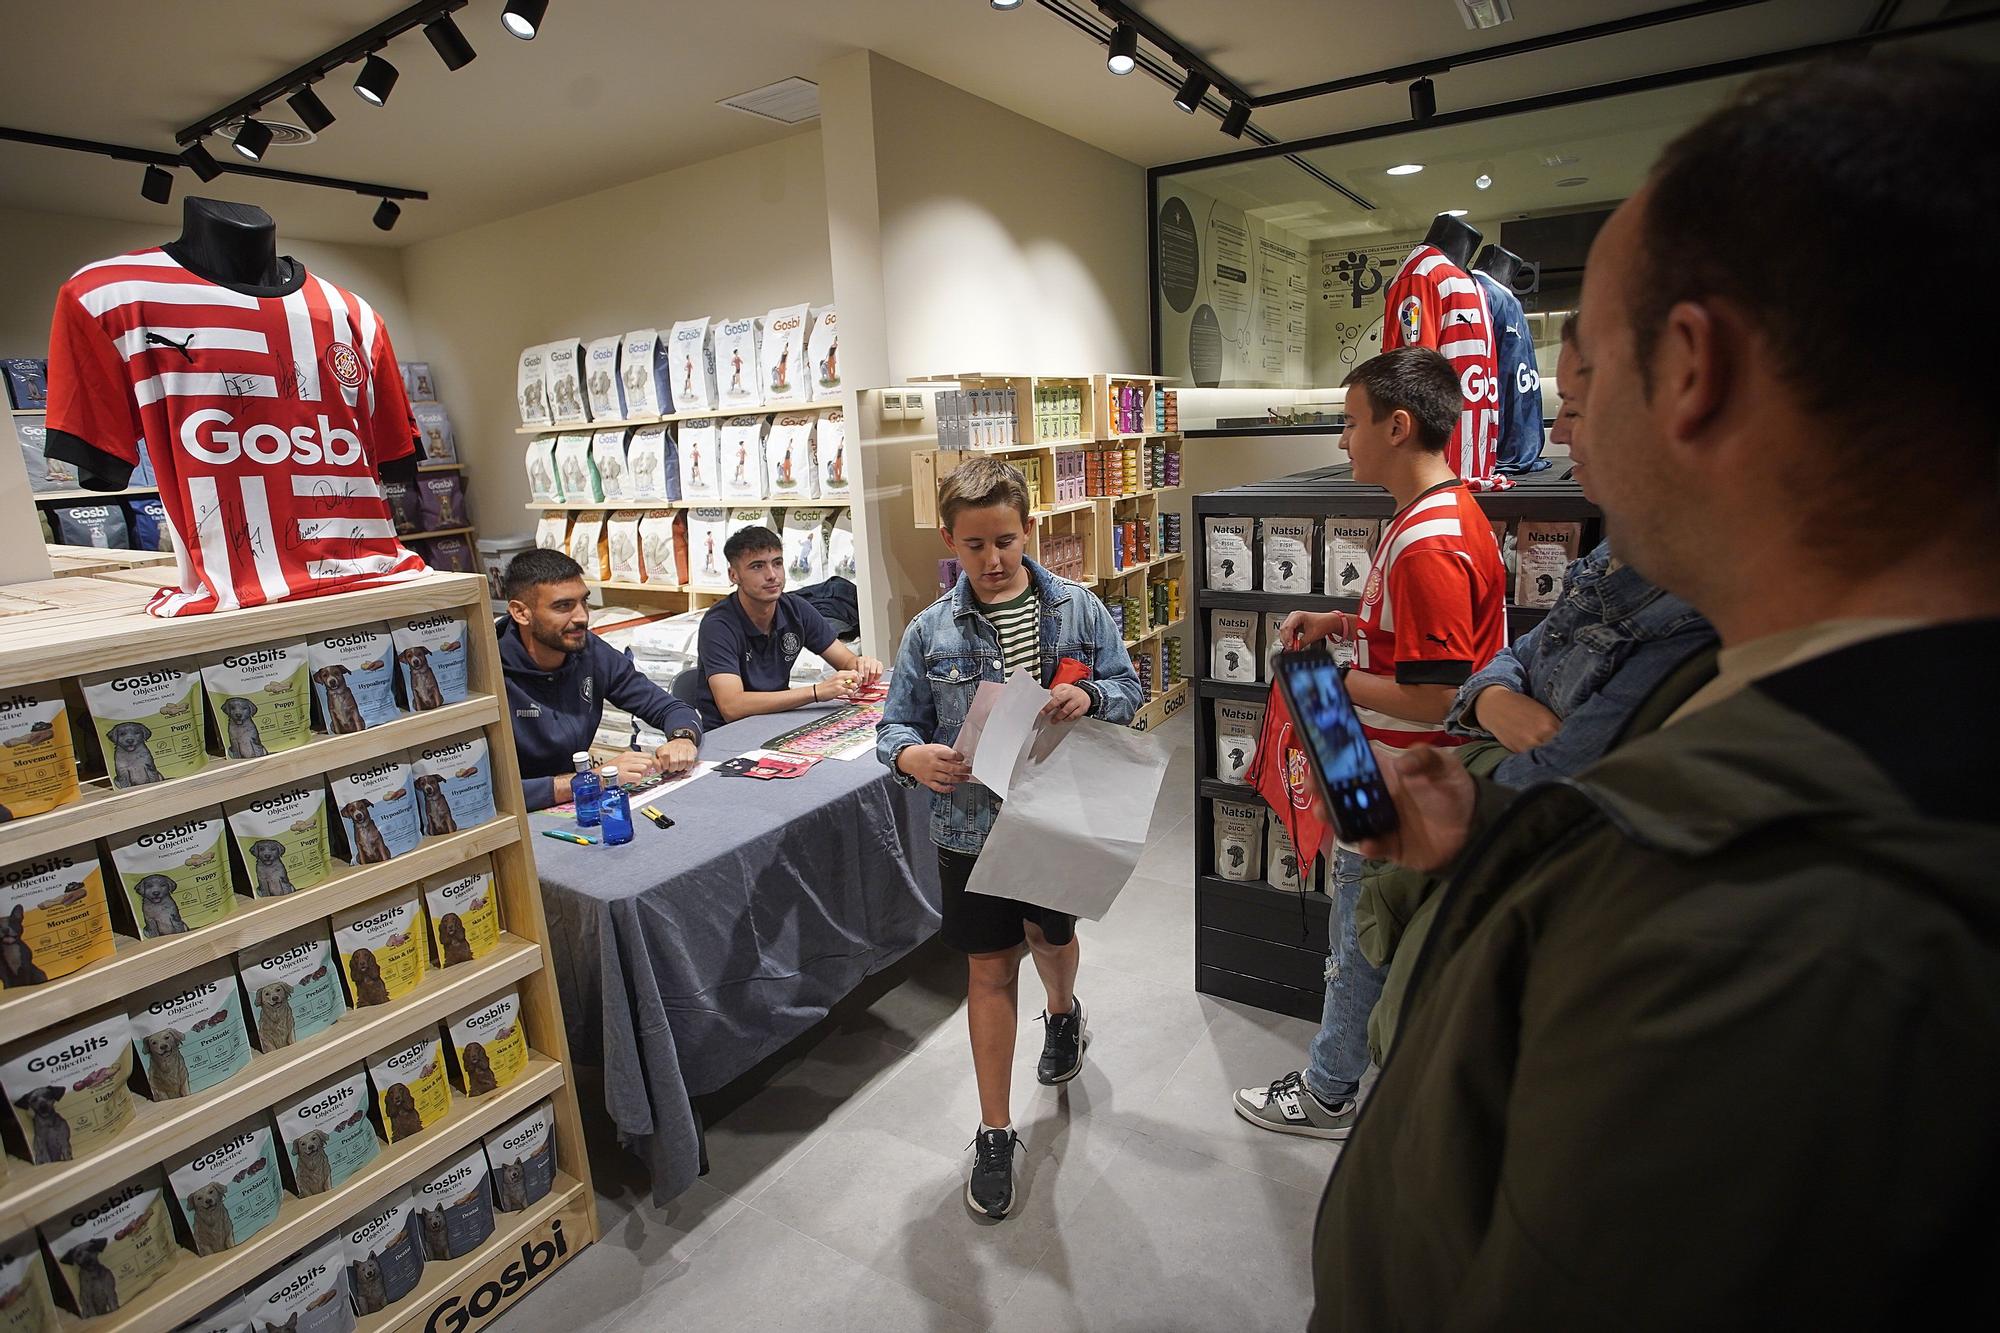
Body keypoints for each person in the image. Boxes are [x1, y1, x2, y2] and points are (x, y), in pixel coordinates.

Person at [1312, 56, 2000, 1330]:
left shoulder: (1770, 920)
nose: (1558, 421)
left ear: (1690, 369)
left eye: (1582, 372)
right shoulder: (1764, 708)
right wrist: (1512, 845)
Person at [1233, 346, 1508, 1140]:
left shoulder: (1429, 541)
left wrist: (1322, 676)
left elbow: (1435, 691)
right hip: (1397, 768)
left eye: (1351, 425)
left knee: (1358, 936)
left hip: (1397, 778)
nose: (1343, 442)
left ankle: (1327, 1090)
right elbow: (1415, 649)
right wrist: (1342, 628)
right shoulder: (1435, 517)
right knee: (1362, 928)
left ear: (1398, 424)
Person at [877, 457, 1141, 1220]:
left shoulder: (1080, 611)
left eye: (1005, 540)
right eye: (974, 545)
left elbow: (1126, 688)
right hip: (968, 829)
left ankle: (1063, 1010)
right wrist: (909, 755)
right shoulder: (930, 631)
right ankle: (995, 1130)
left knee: (1051, 936)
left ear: (1028, 528)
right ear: (949, 542)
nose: (993, 560)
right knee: (989, 968)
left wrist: (1088, 693)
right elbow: (895, 722)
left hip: (1058, 814)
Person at [499, 548, 702, 810]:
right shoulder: (487, 677)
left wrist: (682, 738)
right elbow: (483, 796)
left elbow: (668, 707)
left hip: (572, 804)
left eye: (584, 602)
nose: (582, 617)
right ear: (521, 613)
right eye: (563, 606)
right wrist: (590, 780)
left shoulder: (588, 650)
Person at [691, 525, 882, 730]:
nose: (772, 575)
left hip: (777, 721)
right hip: (728, 733)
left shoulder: (795, 608)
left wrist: (863, 666)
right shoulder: (718, 625)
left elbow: (846, 661)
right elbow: (732, 707)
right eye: (757, 566)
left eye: (777, 563)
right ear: (733, 575)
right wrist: (817, 692)